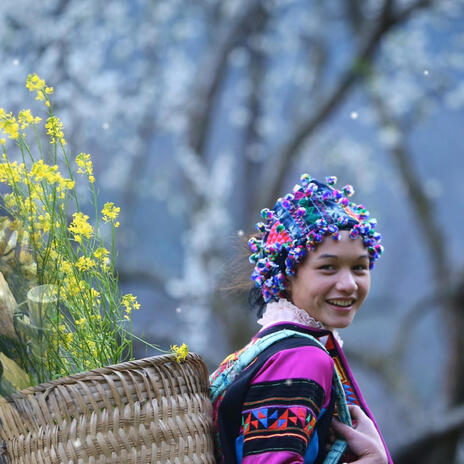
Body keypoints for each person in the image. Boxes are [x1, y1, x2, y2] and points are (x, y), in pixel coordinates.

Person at [210, 174, 393, 464]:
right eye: (328, 267)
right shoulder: (301, 359)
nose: (349, 284)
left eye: (360, 267)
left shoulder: (270, 352)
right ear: (286, 277)